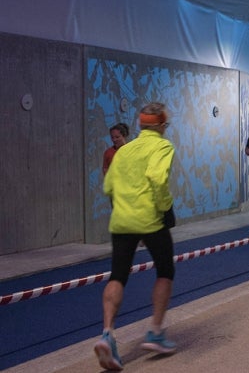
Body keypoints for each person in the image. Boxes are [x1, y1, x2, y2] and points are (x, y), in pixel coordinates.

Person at [95, 102, 177, 370]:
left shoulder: (124, 150)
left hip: (121, 221)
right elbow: (156, 178)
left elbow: (108, 186)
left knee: (118, 275)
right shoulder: (163, 146)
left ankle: (107, 334)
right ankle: (155, 331)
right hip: (150, 220)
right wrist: (165, 208)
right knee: (165, 270)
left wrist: (125, 208)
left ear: (141, 125)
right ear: (162, 125)